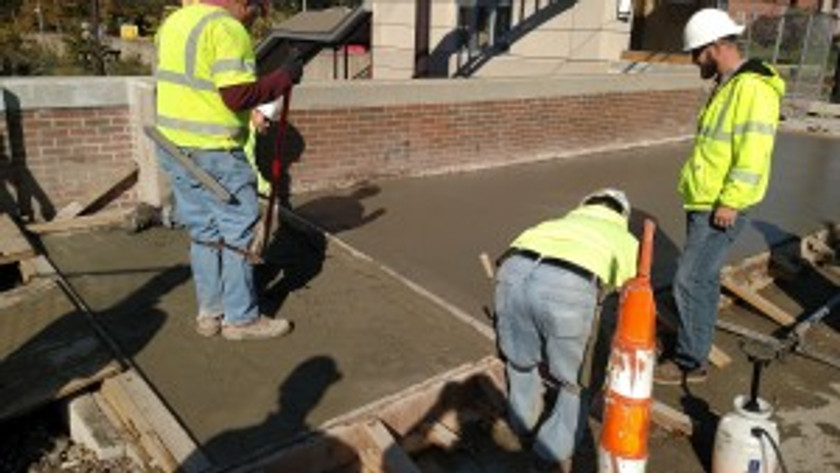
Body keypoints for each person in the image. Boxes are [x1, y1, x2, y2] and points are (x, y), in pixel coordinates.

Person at [154, 0, 303, 340]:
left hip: (176, 146)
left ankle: (211, 312)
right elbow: (237, 96)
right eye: (255, 12)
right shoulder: (226, 27)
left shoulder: (176, 21)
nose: (252, 21)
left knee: (203, 232)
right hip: (215, 151)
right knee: (239, 234)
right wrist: (284, 77)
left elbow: (194, 84)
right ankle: (241, 320)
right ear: (243, 3)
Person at [654, 8, 785, 384]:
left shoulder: (752, 88)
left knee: (688, 280)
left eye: (696, 52)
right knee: (704, 279)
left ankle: (691, 361)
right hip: (705, 200)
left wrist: (732, 200)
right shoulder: (729, 84)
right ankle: (696, 345)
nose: (695, 60)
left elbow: (754, 152)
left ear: (714, 47)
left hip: (720, 205)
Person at [493, 189, 639, 473]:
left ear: (585, 205)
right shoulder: (626, 240)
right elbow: (626, 296)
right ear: (622, 216)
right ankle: (552, 449)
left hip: (512, 272)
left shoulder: (555, 223)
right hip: (569, 286)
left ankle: (521, 421)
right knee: (578, 379)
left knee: (520, 359)